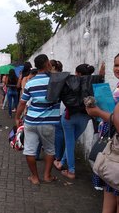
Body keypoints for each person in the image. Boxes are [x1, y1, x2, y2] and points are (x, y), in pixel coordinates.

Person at [15, 54, 60, 185]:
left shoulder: (31, 82)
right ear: (48, 64)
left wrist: (17, 117)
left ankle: (34, 177)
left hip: (31, 122)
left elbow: (22, 103)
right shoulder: (56, 81)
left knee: (29, 150)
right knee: (50, 149)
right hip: (48, 123)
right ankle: (47, 176)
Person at [54, 63, 101, 179]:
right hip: (85, 118)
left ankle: (71, 171)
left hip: (69, 117)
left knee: (70, 143)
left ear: (78, 74)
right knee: (71, 142)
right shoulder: (94, 82)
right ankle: (61, 163)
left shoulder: (72, 82)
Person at [86, 55, 119, 213]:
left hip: (116, 148)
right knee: (110, 186)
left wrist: (98, 112)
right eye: (116, 65)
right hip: (112, 145)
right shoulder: (118, 87)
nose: (117, 69)